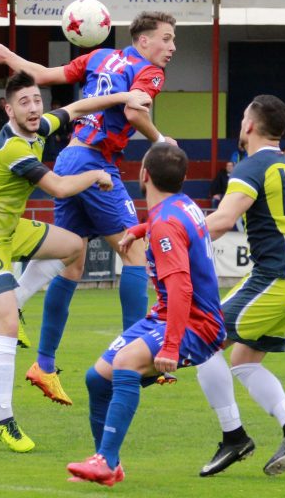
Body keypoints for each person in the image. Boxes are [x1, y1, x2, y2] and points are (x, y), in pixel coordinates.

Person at [0, 11, 178, 403]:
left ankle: (45, 364)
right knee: (136, 253)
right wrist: (161, 140)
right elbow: (134, 110)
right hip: (93, 164)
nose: (171, 49)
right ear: (143, 41)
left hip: (69, 158)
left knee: (73, 261)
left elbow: (44, 74)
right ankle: (135, 356)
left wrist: (10, 57)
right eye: (167, 39)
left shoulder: (101, 56)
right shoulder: (150, 72)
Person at [0, 71, 152, 453]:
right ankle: (3, 419)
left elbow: (77, 107)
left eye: (36, 100)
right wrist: (96, 174)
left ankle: (20, 301)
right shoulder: (14, 149)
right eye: (23, 102)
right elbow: (59, 187)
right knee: (6, 327)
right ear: (8, 109)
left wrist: (123, 95)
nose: (33, 108)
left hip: (10, 229)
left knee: (74, 245)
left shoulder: (41, 125)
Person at [66, 143, 226, 486]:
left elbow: (182, 288)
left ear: (144, 175)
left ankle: (106, 462)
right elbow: (172, 225)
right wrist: (140, 230)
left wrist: (170, 347)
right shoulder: (180, 205)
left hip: (194, 324)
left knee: (124, 364)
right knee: (97, 379)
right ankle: (106, 461)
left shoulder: (166, 221)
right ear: (183, 178)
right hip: (169, 316)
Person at [194, 94, 285, 478]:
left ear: (249, 126)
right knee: (243, 361)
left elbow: (221, 220)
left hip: (275, 278)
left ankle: (234, 437)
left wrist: (170, 234)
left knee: (201, 340)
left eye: (242, 120)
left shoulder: (251, 166)